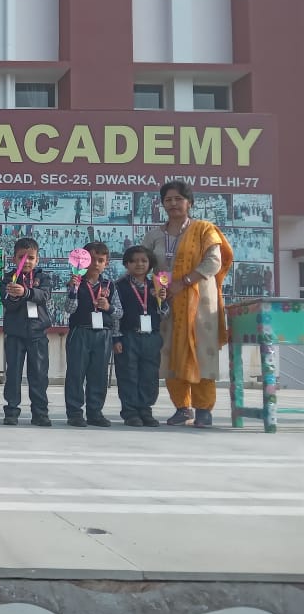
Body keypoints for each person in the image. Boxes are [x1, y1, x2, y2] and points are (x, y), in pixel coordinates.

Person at [141, 180, 233, 427]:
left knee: (201, 353)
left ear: (189, 203)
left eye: (178, 199)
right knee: (171, 353)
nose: (173, 204)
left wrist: (184, 281)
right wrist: (158, 288)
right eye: (168, 200)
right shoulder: (153, 236)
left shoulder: (204, 230)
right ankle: (182, 407)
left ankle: (204, 409)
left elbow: (213, 262)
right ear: (162, 204)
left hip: (200, 303)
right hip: (166, 302)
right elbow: (144, 264)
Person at [63, 242, 123, 428]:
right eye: (92, 259)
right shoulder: (76, 282)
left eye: (101, 260)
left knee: (99, 375)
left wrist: (108, 307)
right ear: (83, 261)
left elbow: (119, 313)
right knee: (76, 374)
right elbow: (69, 309)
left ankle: (95, 412)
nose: (96, 264)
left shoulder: (110, 285)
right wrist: (73, 290)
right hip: (80, 332)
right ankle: (74, 413)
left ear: (106, 263)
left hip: (103, 334)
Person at [113, 245, 168, 427]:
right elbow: (116, 315)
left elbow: (164, 313)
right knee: (128, 374)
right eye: (134, 261)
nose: (139, 264)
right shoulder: (119, 286)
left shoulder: (155, 286)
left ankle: (145, 410)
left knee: (149, 375)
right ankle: (130, 412)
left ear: (150, 264)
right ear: (126, 264)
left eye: (144, 261)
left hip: (151, 336)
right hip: (129, 335)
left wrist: (161, 299)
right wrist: (116, 338)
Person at [2, 237, 52, 427]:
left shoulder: (43, 278)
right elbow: (7, 302)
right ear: (14, 259)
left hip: (38, 334)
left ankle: (40, 413)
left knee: (39, 375)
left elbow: (44, 295)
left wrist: (26, 292)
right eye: (22, 257)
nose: (27, 261)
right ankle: (11, 411)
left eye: (31, 257)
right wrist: (14, 296)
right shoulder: (9, 278)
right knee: (13, 375)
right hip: (15, 334)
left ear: (37, 259)